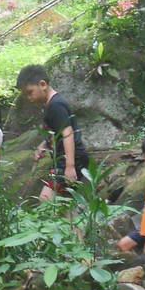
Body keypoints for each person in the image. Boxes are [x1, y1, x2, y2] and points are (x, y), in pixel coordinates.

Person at [16, 64, 89, 200]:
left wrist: (70, 166)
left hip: (71, 159)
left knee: (46, 199)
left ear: (42, 84)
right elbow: (58, 132)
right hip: (67, 159)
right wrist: (43, 145)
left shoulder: (56, 105)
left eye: (29, 92)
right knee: (65, 202)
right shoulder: (52, 105)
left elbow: (67, 133)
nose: (28, 98)